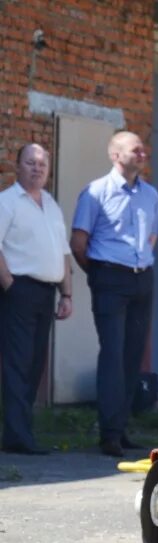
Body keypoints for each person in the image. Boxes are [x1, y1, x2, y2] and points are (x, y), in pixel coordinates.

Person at [70, 131, 158, 457]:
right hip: (109, 278)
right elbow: (79, 244)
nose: (143, 154)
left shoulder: (150, 195)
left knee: (132, 356)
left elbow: (153, 236)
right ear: (115, 155)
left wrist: (137, 263)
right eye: (135, 149)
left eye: (143, 149)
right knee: (112, 355)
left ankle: (121, 428)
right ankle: (109, 433)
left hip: (142, 280)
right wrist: (101, 275)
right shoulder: (96, 193)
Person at [0, 143, 74, 454]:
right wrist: (9, 284)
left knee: (34, 365)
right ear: (18, 167)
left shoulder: (52, 206)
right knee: (17, 364)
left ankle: (21, 432)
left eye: (42, 164)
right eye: (30, 163)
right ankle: (18, 437)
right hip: (19, 291)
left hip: (46, 293)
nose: (37, 168)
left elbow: (64, 253)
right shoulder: (7, 202)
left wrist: (67, 293)